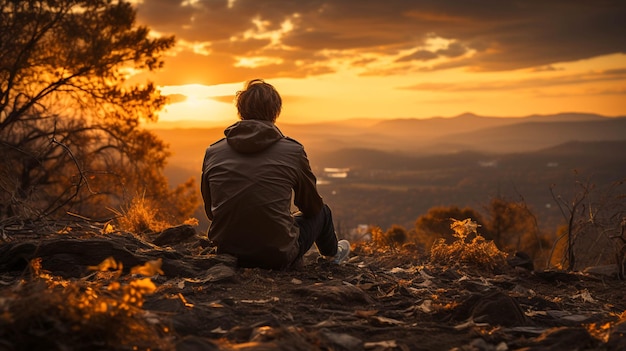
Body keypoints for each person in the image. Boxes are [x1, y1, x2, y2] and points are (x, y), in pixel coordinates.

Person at [201, 79, 350, 270]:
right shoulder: (293, 151)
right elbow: (312, 207)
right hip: (277, 255)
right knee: (323, 211)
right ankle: (333, 256)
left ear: (240, 111)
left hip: (228, 251)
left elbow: (211, 211)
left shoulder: (213, 151)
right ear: (275, 112)